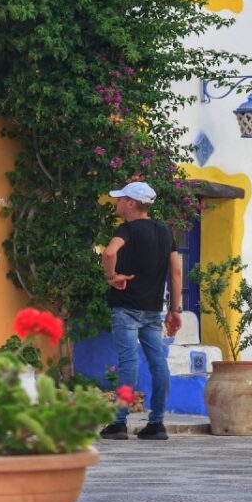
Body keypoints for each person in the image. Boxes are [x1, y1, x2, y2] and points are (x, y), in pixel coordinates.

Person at [99, 181, 182, 441]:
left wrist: (111, 277)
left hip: (126, 308)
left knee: (128, 363)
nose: (118, 202)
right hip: (153, 310)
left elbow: (109, 252)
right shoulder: (165, 231)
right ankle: (156, 423)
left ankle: (119, 423)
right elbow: (176, 271)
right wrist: (175, 309)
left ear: (132, 203)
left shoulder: (127, 229)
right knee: (159, 364)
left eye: (121, 199)